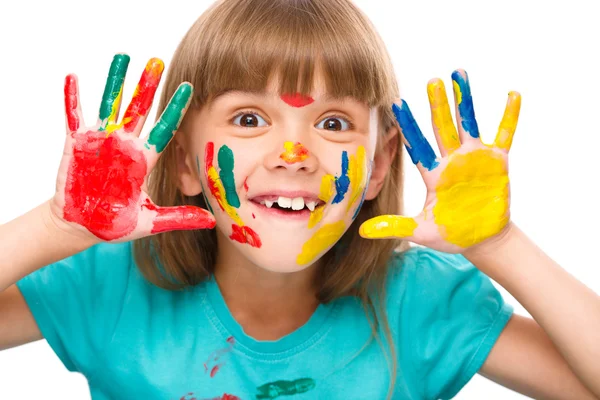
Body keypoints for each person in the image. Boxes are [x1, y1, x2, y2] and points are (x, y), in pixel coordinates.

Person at [1, 0, 599, 399]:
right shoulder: (110, 287)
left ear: (379, 165)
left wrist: (501, 244)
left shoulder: (421, 303)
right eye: (250, 117)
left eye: (333, 123)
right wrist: (58, 228)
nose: (294, 152)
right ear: (183, 160)